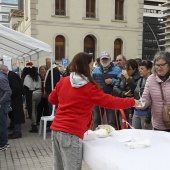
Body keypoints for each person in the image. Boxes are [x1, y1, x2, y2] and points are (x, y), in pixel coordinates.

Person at [48, 52, 139, 170]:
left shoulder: (64, 81)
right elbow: (111, 102)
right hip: (71, 133)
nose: (93, 67)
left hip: (56, 130)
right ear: (85, 66)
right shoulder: (89, 87)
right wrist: (132, 102)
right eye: (91, 64)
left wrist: (67, 105)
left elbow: (52, 98)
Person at [138, 51, 170, 132]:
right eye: (156, 65)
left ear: (169, 65)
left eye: (162, 65)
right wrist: (138, 104)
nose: (159, 67)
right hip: (158, 124)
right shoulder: (151, 79)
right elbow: (145, 98)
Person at [92, 51, 121, 129]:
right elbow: (91, 82)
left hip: (110, 97)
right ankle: (97, 135)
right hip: (98, 98)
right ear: (100, 60)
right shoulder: (95, 70)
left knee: (111, 120)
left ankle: (112, 135)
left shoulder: (117, 70)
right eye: (103, 59)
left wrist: (112, 81)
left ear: (110, 59)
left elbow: (121, 82)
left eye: (106, 59)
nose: (104, 61)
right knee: (96, 119)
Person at [0, 64, 25, 139]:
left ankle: (17, 132)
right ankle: (13, 127)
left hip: (16, 98)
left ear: (3, 71)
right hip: (15, 97)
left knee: (16, 114)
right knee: (13, 113)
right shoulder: (10, 74)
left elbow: (15, 89)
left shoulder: (12, 75)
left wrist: (8, 96)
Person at [113, 59, 140, 126]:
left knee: (131, 127)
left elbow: (135, 89)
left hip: (132, 106)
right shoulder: (121, 75)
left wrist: (128, 78)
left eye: (129, 69)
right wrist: (123, 93)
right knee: (123, 126)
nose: (126, 71)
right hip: (122, 104)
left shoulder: (138, 77)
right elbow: (115, 88)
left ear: (134, 69)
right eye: (125, 68)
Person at [132, 60, 153, 129]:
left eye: (142, 69)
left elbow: (152, 100)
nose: (140, 71)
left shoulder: (153, 81)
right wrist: (131, 111)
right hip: (136, 112)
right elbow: (135, 95)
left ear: (149, 70)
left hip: (146, 114)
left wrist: (148, 118)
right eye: (139, 69)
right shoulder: (140, 80)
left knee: (146, 136)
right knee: (135, 134)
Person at [24, 66, 42, 132]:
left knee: (32, 110)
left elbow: (26, 86)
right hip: (39, 93)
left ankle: (34, 125)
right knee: (35, 109)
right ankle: (36, 122)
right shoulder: (38, 76)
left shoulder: (28, 76)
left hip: (32, 93)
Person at [0, 68, 12, 151]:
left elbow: (8, 91)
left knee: (2, 124)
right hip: (3, 104)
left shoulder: (1, 78)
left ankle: (3, 144)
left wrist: (0, 102)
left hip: (3, 105)